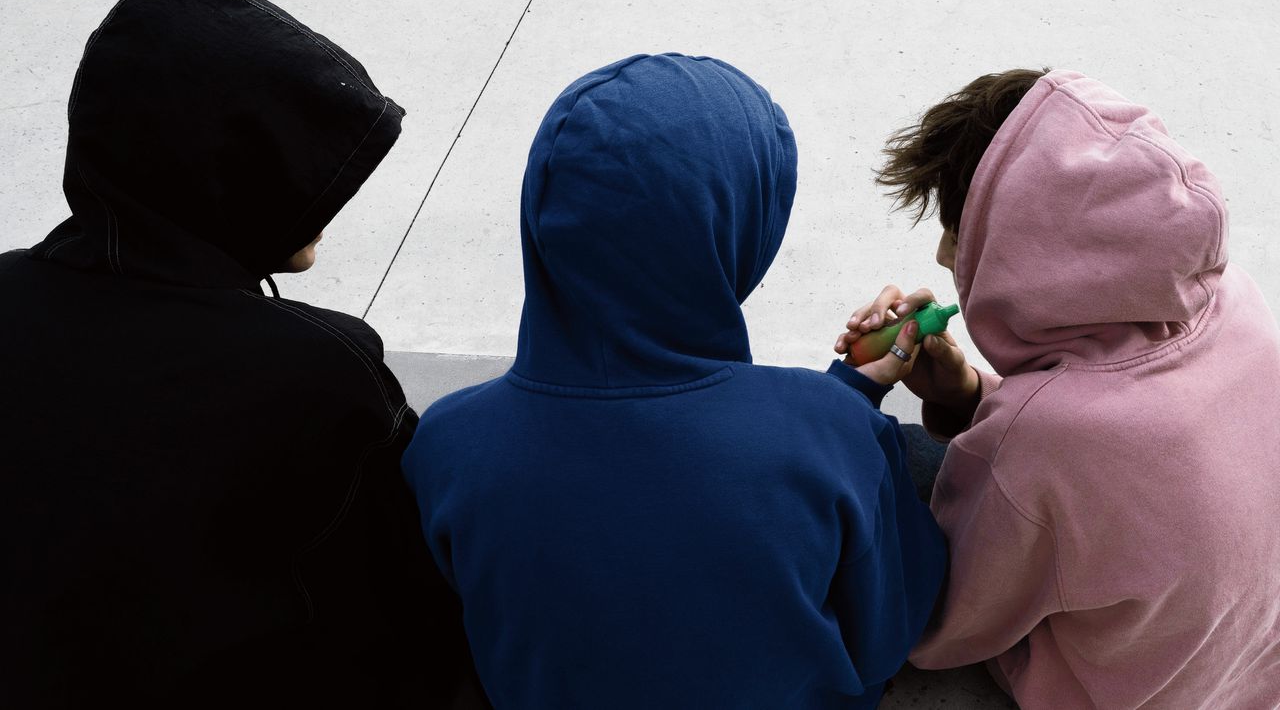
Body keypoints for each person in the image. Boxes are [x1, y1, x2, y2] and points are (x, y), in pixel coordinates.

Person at [402, 53, 947, 708]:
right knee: (925, 462)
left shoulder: (447, 443)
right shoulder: (827, 434)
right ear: (736, 225)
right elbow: (885, 637)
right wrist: (854, 414)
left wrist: (845, 397)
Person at [0, 0, 477, 708]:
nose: (328, 194)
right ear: (215, 167)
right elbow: (420, 626)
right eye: (284, 160)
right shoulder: (317, 379)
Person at [836, 69, 1280, 707]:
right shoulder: (1234, 295)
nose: (941, 254)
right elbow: (1113, 466)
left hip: (1123, 693)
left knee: (886, 463)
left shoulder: (1045, 434)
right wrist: (967, 396)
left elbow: (940, 630)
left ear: (1030, 248)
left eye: (960, 229)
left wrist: (843, 409)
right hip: (1236, 673)